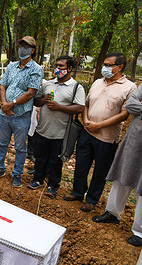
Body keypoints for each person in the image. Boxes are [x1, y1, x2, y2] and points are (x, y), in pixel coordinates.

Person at [63, 52, 137, 212]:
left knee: (100, 170)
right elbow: (87, 103)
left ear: (119, 67)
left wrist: (100, 125)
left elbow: (124, 114)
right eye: (104, 64)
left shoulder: (130, 87)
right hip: (87, 131)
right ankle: (77, 192)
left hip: (107, 137)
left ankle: (92, 199)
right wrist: (86, 119)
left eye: (108, 65)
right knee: (81, 165)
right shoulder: (97, 82)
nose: (105, 67)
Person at [27, 56, 86, 197]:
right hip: (43, 128)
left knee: (55, 160)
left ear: (69, 69)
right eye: (56, 66)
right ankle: (38, 179)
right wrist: (43, 100)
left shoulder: (76, 87)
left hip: (60, 132)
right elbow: (35, 100)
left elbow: (80, 108)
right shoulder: (48, 84)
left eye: (61, 67)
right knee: (40, 157)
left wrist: (59, 107)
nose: (57, 69)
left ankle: (53, 185)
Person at [0, 36, 43, 187]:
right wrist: (5, 104)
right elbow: (2, 85)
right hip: (5, 114)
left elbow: (31, 92)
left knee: (20, 147)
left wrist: (12, 104)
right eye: (20, 46)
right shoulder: (12, 66)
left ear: (32, 50)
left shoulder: (36, 69)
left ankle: (17, 173)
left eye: (26, 46)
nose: (22, 49)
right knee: (2, 143)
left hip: (21, 116)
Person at [92, 85, 141, 246]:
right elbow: (131, 105)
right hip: (135, 139)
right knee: (123, 173)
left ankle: (139, 231)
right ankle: (112, 213)